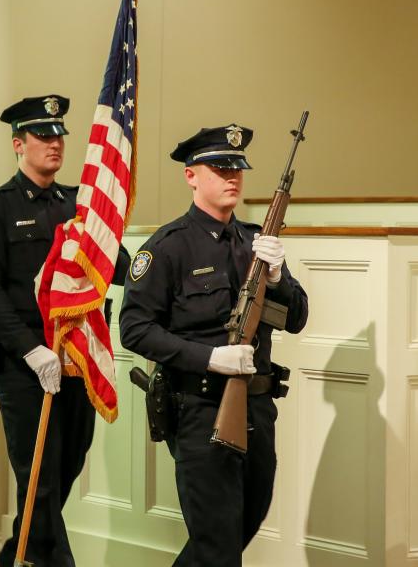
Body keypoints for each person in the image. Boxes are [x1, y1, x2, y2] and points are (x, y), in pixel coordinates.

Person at [119, 124, 309, 566]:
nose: (232, 177)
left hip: (258, 408)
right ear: (191, 176)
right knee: (218, 544)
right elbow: (134, 328)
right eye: (220, 168)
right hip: (201, 408)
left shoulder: (255, 242)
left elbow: (297, 318)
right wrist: (210, 357)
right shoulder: (167, 248)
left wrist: (280, 279)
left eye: (238, 169)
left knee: (243, 524)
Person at [0, 94, 129, 567]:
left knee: (68, 464)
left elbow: (113, 267)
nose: (55, 143)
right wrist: (32, 350)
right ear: (18, 144)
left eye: (59, 134)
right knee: (40, 478)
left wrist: (125, 243)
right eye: (43, 135)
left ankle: (11, 558)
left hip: (76, 358)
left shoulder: (80, 205)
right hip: (26, 365)